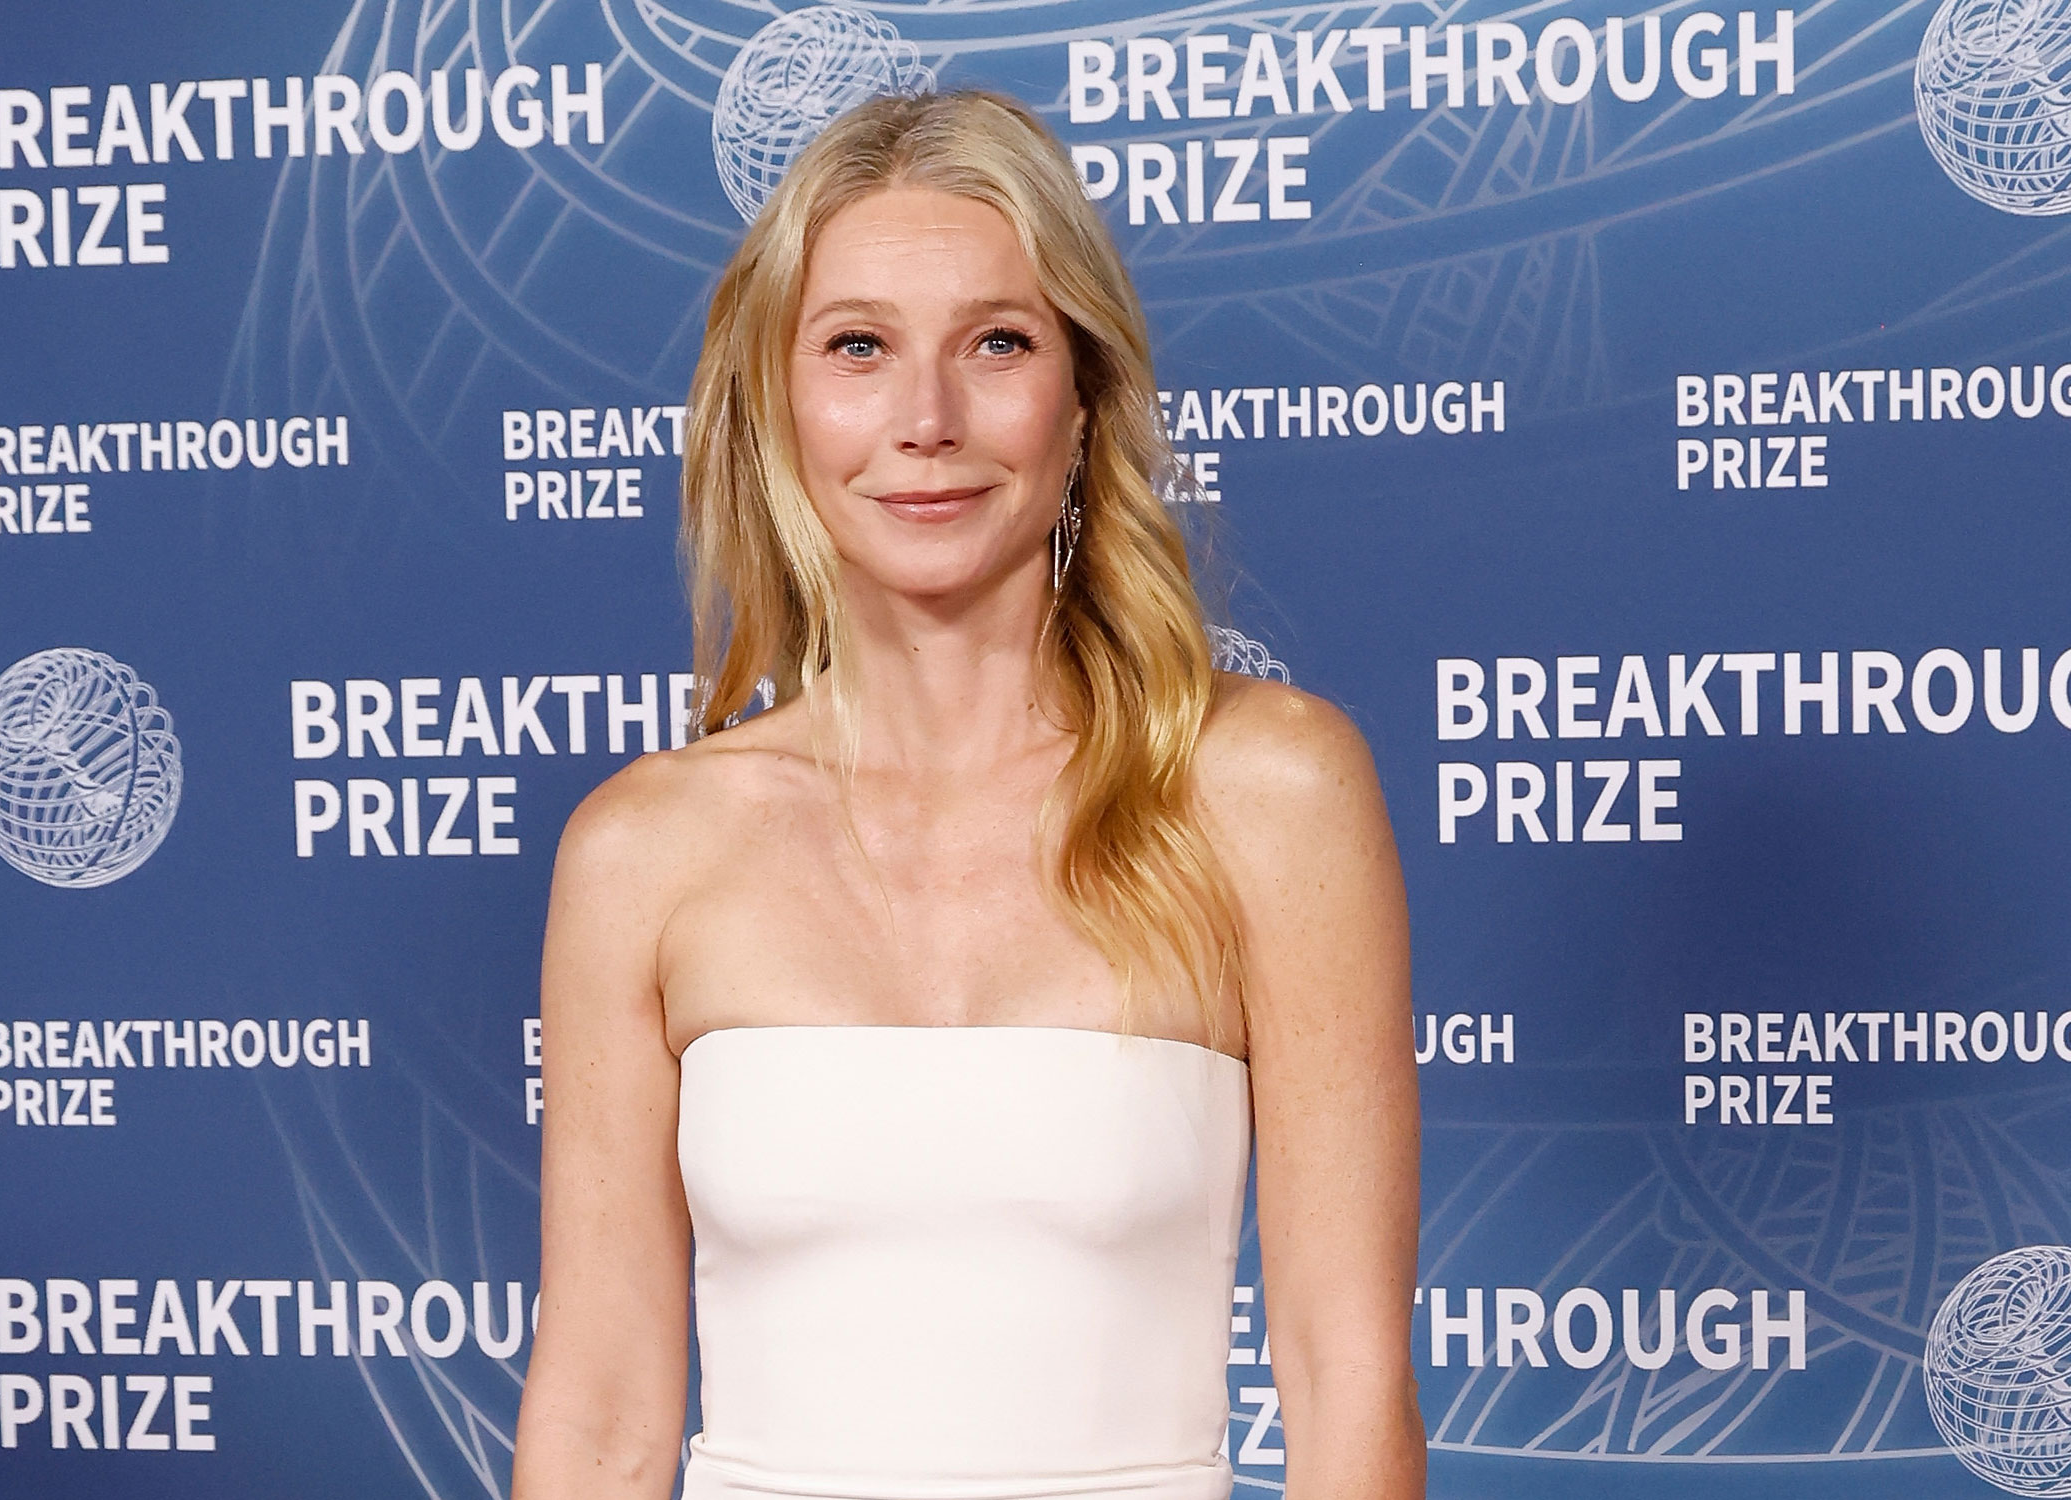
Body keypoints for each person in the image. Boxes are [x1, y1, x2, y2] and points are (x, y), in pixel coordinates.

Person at [514, 88, 1420, 1500]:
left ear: (1081, 398)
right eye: (857, 347)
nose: (924, 418)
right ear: (777, 401)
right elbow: (604, 1412)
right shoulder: (643, 851)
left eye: (996, 343)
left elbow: (1344, 1376)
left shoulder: (1265, 794)